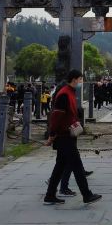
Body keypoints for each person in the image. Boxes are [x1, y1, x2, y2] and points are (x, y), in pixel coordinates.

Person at [43, 69, 101, 205]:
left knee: (60, 167)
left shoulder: (70, 92)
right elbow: (56, 117)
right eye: (80, 79)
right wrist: (51, 135)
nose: (81, 81)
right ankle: (87, 195)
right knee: (77, 166)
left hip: (68, 135)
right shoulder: (64, 94)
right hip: (64, 137)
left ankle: (50, 195)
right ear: (74, 79)